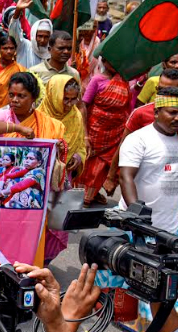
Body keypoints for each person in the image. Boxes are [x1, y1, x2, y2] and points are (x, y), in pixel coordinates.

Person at [117, 88, 178, 332]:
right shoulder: (138, 139)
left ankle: (164, 325)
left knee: (165, 287)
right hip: (142, 228)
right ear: (157, 111)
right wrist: (137, 219)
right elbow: (125, 177)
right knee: (136, 283)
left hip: (171, 230)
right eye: (172, 112)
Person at [0, 72, 64, 265]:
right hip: (7, 199)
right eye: (11, 95)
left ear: (33, 98)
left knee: (29, 240)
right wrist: (17, 129)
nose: (14, 100)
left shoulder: (49, 124)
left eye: (21, 96)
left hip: (32, 201)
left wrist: (61, 150)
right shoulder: (5, 116)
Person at [38, 75, 86, 261]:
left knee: (57, 224)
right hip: (40, 180)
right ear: (53, 95)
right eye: (65, 98)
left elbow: (80, 145)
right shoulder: (40, 117)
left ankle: (46, 261)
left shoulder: (76, 116)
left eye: (73, 99)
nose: (69, 104)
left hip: (63, 179)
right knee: (39, 225)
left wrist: (78, 157)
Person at [79, 57, 130, 207]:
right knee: (91, 165)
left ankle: (92, 194)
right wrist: (85, 135)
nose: (114, 63)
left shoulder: (124, 81)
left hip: (116, 132)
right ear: (105, 61)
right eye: (111, 60)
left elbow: (126, 107)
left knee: (107, 165)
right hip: (96, 131)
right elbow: (84, 105)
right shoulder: (97, 80)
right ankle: (84, 196)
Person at [8, 0, 52, 68]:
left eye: (46, 37)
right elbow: (14, 33)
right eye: (40, 36)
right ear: (34, 35)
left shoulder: (53, 52)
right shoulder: (24, 46)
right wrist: (18, 10)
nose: (42, 40)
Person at [0, 36, 26, 108]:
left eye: (11, 48)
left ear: (15, 49)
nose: (9, 51)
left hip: (14, 107)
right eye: (5, 48)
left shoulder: (20, 69)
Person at [73, 20, 100, 92]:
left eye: (94, 27)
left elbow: (96, 64)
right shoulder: (77, 42)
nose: (89, 31)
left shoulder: (97, 42)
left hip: (92, 80)